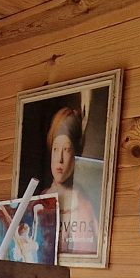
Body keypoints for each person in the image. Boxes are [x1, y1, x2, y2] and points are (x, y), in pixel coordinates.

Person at [45, 106, 98, 258]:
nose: (60, 159)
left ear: (76, 155)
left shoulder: (84, 205)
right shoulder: (39, 200)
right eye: (56, 149)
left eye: (67, 150)